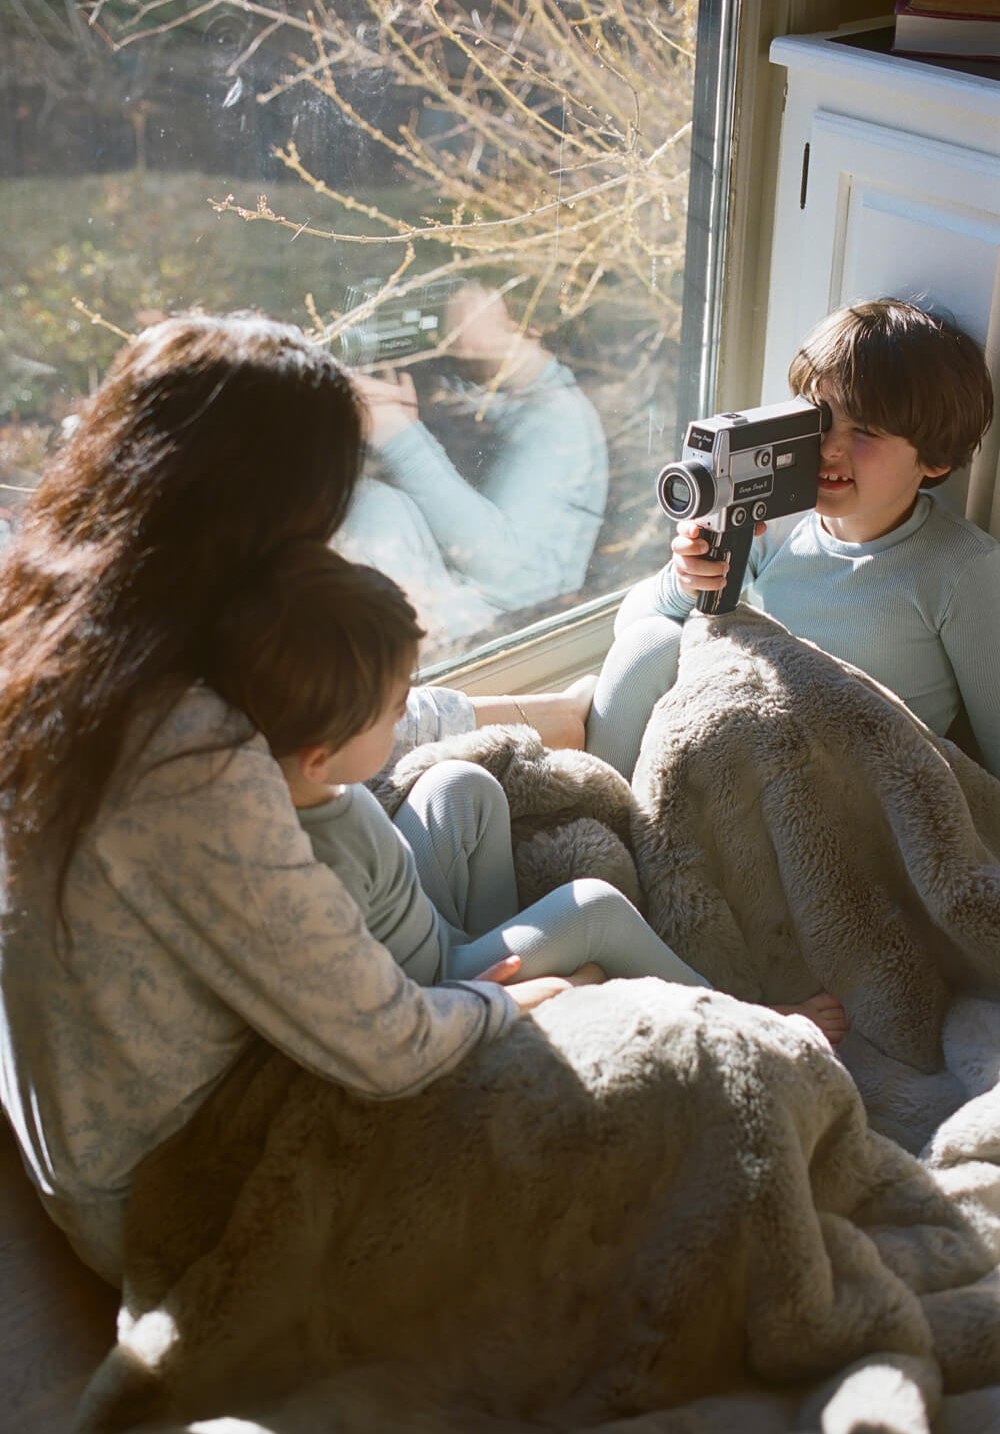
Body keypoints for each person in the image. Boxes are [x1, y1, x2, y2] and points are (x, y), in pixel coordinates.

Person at [0, 313, 596, 1287]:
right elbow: (391, 1046)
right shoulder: (189, 765)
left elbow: (334, 718)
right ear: (265, 517)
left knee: (455, 800)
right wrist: (511, 1008)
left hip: (78, 1111)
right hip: (171, 1183)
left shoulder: (74, 629)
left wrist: (553, 715)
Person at [205, 541, 847, 1033]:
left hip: (432, 927)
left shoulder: (314, 787)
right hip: (441, 982)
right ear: (320, 755)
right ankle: (751, 1016)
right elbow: (373, 1014)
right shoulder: (308, 871)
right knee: (591, 903)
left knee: (459, 784)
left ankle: (537, 946)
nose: (406, 717)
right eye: (392, 708)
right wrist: (488, 1000)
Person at [585, 299, 1000, 781]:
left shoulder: (962, 570)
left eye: (864, 430)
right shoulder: (776, 521)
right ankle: (599, 814)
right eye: (819, 419)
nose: (829, 447)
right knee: (652, 641)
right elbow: (630, 631)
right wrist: (684, 584)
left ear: (935, 459)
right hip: (751, 754)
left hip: (849, 791)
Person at [350, 281, 609, 616]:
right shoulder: (478, 397)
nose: (448, 309)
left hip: (504, 640)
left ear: (524, 320)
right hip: (441, 626)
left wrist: (399, 438)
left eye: (472, 294)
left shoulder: (559, 419)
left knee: (376, 505)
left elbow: (516, 576)